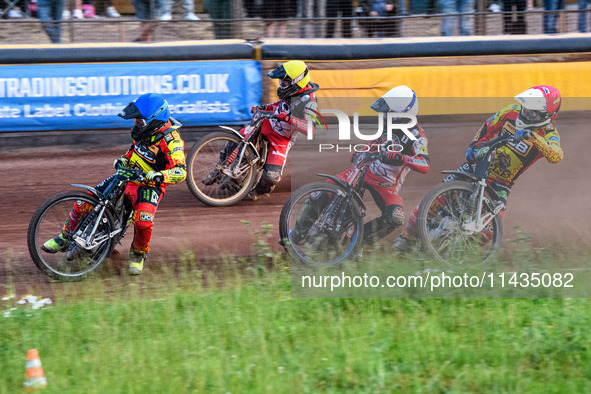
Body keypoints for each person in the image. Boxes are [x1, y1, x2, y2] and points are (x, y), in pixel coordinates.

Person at [393, 85, 563, 252]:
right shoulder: (510, 111)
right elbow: (488, 127)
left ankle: (451, 254)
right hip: (478, 165)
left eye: (532, 112)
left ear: (547, 115)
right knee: (436, 198)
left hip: (501, 183)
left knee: (489, 231)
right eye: (525, 107)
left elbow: (556, 155)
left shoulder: (549, 134)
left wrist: (533, 137)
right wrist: (475, 146)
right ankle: (407, 238)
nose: (526, 112)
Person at [42, 93, 187, 275]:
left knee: (143, 221)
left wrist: (157, 176)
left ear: (154, 121)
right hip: (126, 175)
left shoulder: (172, 140)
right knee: (83, 202)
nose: (136, 124)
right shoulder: (143, 132)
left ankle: (138, 254)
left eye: (140, 121)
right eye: (135, 120)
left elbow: (181, 171)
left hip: (148, 185)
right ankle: (64, 237)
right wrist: (123, 161)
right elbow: (134, 150)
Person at [290, 85, 430, 246]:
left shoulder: (418, 136)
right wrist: (361, 153)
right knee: (320, 193)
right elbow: (375, 143)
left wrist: (401, 158)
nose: (384, 115)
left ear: (403, 114)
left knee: (395, 217)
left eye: (388, 112)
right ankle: (295, 233)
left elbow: (425, 164)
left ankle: (355, 245)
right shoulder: (390, 125)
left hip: (386, 183)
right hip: (365, 170)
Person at [204, 60, 319, 201]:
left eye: (284, 83)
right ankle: (218, 169)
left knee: (271, 177)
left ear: (297, 81)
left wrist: (289, 119)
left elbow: (310, 129)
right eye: (280, 82)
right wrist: (264, 108)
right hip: (268, 123)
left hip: (282, 138)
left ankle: (255, 192)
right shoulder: (292, 91)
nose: (281, 86)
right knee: (238, 138)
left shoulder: (309, 101)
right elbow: (279, 104)